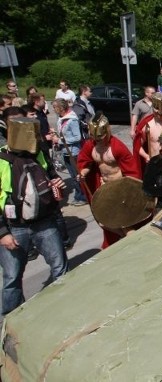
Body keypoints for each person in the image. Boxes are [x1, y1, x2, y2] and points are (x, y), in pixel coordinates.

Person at [0, 117, 68, 315]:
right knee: (12, 277)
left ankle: (64, 310)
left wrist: (57, 184)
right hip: (15, 227)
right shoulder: (2, 160)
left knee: (60, 269)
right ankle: (11, 319)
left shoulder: (39, 154)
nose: (37, 139)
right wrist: (2, 232)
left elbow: (52, 175)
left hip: (45, 223)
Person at [77, 113, 141, 248]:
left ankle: (132, 243)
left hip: (119, 188)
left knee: (124, 223)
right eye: (94, 137)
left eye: (100, 137)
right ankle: (120, 240)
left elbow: (131, 171)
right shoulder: (90, 145)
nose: (97, 140)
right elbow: (85, 161)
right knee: (104, 221)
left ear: (107, 131)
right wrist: (83, 172)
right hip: (104, 187)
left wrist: (129, 191)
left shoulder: (117, 147)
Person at [51, 98, 88, 206]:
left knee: (77, 176)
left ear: (61, 108)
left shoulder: (72, 119)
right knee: (73, 176)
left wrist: (60, 141)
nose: (53, 109)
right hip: (66, 152)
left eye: (55, 107)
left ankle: (83, 196)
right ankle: (78, 195)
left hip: (74, 152)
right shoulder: (62, 118)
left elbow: (78, 137)